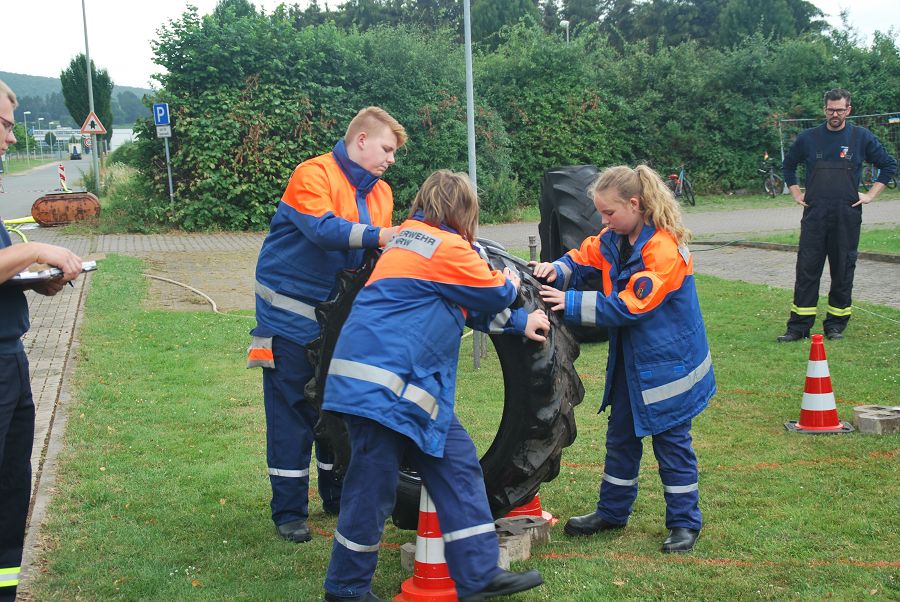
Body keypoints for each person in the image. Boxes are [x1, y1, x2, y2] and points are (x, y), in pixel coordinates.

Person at [321, 170, 548, 602]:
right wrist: (515, 286)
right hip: (383, 391)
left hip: (399, 390)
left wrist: (522, 323)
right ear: (463, 211)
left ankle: (479, 574)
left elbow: (460, 303)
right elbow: (494, 291)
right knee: (372, 489)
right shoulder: (446, 247)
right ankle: (345, 589)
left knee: (458, 464)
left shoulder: (410, 239)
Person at [534, 164, 715, 554]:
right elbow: (584, 255)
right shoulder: (615, 235)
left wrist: (569, 301)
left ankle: (685, 523)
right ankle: (612, 512)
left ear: (635, 204)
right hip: (633, 362)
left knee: (672, 446)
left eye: (609, 213)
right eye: (600, 213)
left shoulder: (663, 249)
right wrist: (557, 267)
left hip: (670, 367)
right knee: (621, 439)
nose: (603, 220)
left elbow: (630, 306)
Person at [248, 107, 406, 543]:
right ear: (360, 140)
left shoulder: (381, 192)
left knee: (336, 409)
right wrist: (382, 236)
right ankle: (289, 512)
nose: (391, 159)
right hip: (289, 319)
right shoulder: (312, 175)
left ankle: (334, 494)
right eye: (386, 149)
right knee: (293, 412)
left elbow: (374, 260)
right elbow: (322, 229)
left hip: (339, 325)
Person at [0, 79, 84, 602]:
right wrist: (37, 252)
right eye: (5, 125)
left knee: (11, 488)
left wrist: (39, 281)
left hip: (10, 357)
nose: (11, 137)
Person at [777, 88, 897, 342]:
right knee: (807, 269)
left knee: (842, 269)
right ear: (824, 109)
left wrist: (871, 195)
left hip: (847, 214)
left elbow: (889, 165)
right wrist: (796, 193)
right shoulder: (809, 138)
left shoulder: (861, 137)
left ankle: (836, 324)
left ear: (848, 110)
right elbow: (788, 166)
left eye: (840, 110)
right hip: (815, 214)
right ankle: (798, 326)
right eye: (831, 109)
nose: (835, 114)